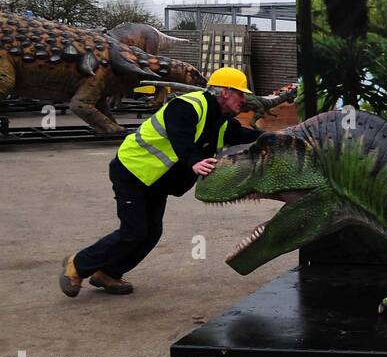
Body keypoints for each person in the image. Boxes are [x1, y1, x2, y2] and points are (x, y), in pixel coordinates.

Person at [59, 68, 264, 297]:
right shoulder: (187, 106)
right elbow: (180, 136)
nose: (244, 100)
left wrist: (284, 136)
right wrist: (194, 161)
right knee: (133, 231)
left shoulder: (221, 120)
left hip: (157, 181)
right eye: (241, 94)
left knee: (151, 233)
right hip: (133, 172)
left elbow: (246, 136)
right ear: (226, 92)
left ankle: (108, 273)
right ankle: (77, 265)